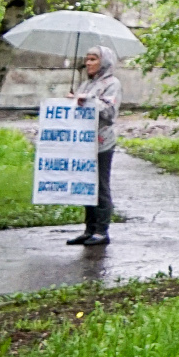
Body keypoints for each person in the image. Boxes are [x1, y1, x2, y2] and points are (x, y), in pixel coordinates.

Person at [66, 45, 121, 247]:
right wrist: (72, 101)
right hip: (83, 143)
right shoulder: (86, 84)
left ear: (104, 62)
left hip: (101, 143)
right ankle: (89, 229)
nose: (87, 63)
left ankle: (101, 230)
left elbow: (109, 112)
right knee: (86, 186)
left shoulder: (112, 83)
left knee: (100, 185)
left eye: (93, 59)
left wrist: (87, 101)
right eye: (87, 59)